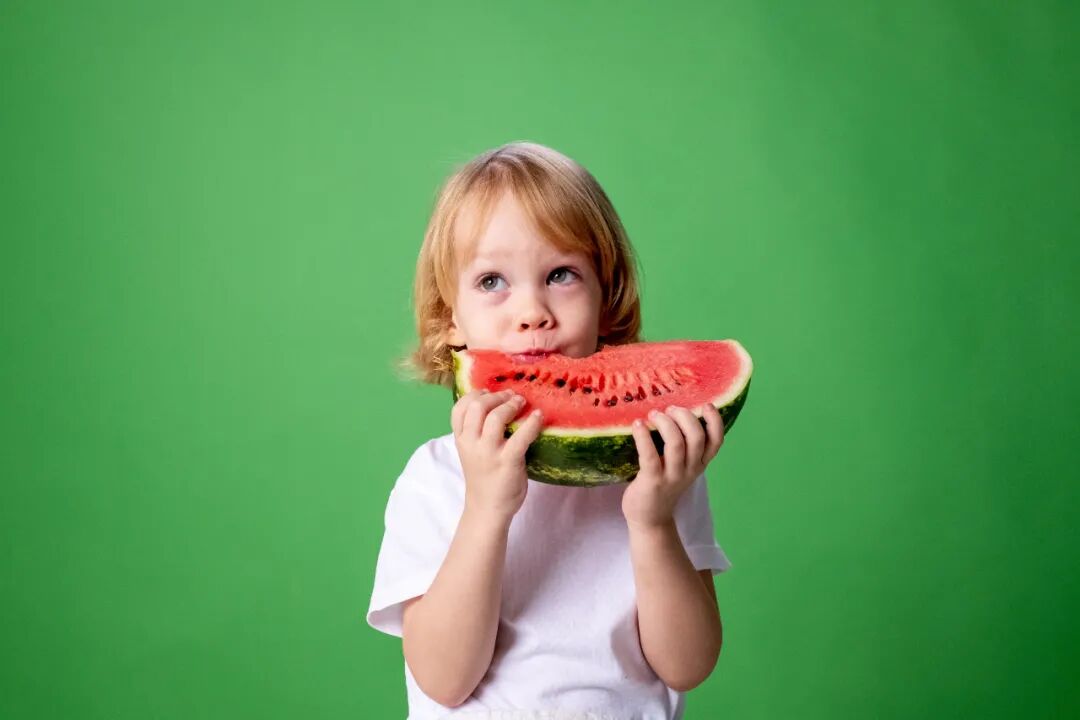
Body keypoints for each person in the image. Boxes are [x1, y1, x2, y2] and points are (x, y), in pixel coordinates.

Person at [366, 141, 732, 720]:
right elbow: (443, 680)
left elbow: (687, 665)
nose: (532, 311)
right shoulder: (435, 479)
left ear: (607, 301)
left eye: (561, 274)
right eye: (492, 281)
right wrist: (485, 510)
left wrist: (653, 521)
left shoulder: (660, 467)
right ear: (448, 318)